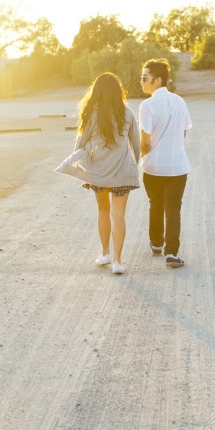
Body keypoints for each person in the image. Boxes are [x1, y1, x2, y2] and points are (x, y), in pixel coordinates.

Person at [66, 72, 140, 275]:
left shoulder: (92, 114)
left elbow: (80, 143)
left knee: (103, 211)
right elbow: (135, 144)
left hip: (99, 170)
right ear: (118, 91)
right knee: (119, 214)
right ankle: (117, 261)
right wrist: (135, 165)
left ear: (96, 91)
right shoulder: (128, 113)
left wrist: (76, 163)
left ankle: (106, 252)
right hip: (123, 171)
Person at [139, 59, 192, 268]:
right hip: (177, 166)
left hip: (153, 166)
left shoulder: (147, 105)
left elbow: (144, 141)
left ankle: (156, 243)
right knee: (173, 208)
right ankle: (171, 253)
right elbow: (184, 131)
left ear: (158, 80)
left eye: (145, 78)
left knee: (155, 204)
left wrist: (144, 156)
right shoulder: (180, 101)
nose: (141, 82)